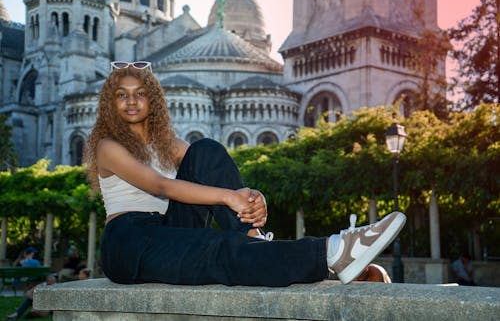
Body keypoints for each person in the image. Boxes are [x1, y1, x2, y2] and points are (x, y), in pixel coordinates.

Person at [83, 60, 407, 287]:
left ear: (152, 99)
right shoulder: (108, 146)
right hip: (129, 241)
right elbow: (160, 185)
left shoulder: (166, 142)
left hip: (167, 227)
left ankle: (254, 237)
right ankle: (332, 251)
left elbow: (210, 168)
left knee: (207, 149)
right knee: (216, 248)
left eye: (139, 93)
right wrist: (228, 196)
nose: (131, 101)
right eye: (121, 94)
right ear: (110, 103)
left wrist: (251, 199)